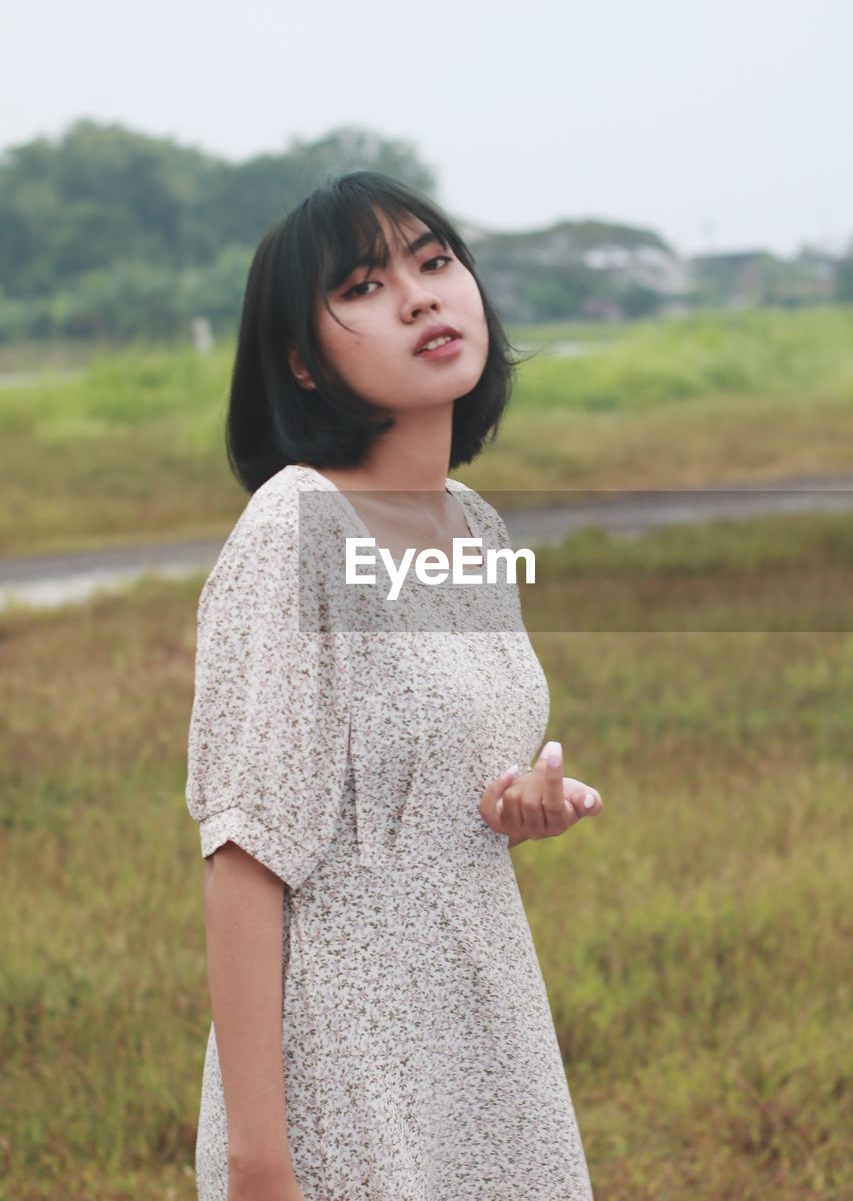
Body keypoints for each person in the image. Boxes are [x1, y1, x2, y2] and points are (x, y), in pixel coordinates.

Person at [185, 170, 603, 1201]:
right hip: (347, 1054)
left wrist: (511, 805)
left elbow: (423, 769)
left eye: (432, 260)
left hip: (483, 1026)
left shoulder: (473, 525)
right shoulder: (295, 531)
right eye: (365, 285)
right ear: (301, 361)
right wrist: (259, 1164)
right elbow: (244, 853)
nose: (420, 296)